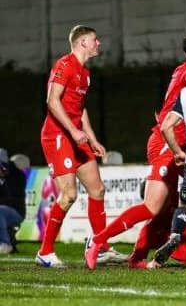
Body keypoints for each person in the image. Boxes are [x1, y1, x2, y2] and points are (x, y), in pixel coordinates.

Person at [83, 32, 186, 269]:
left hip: (182, 146)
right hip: (166, 144)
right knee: (153, 206)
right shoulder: (184, 71)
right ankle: (97, 241)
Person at [37, 25, 125, 268]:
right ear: (83, 42)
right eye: (95, 40)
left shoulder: (85, 73)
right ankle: (45, 252)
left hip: (76, 137)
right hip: (57, 136)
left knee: (97, 190)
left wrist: (92, 138)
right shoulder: (64, 65)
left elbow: (80, 109)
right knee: (69, 195)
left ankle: (100, 247)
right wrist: (74, 131)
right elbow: (52, 101)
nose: (99, 44)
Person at [0, 152, 26, 254]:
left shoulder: (17, 175)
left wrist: (2, 180)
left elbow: (10, 197)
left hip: (16, 211)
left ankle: (5, 244)